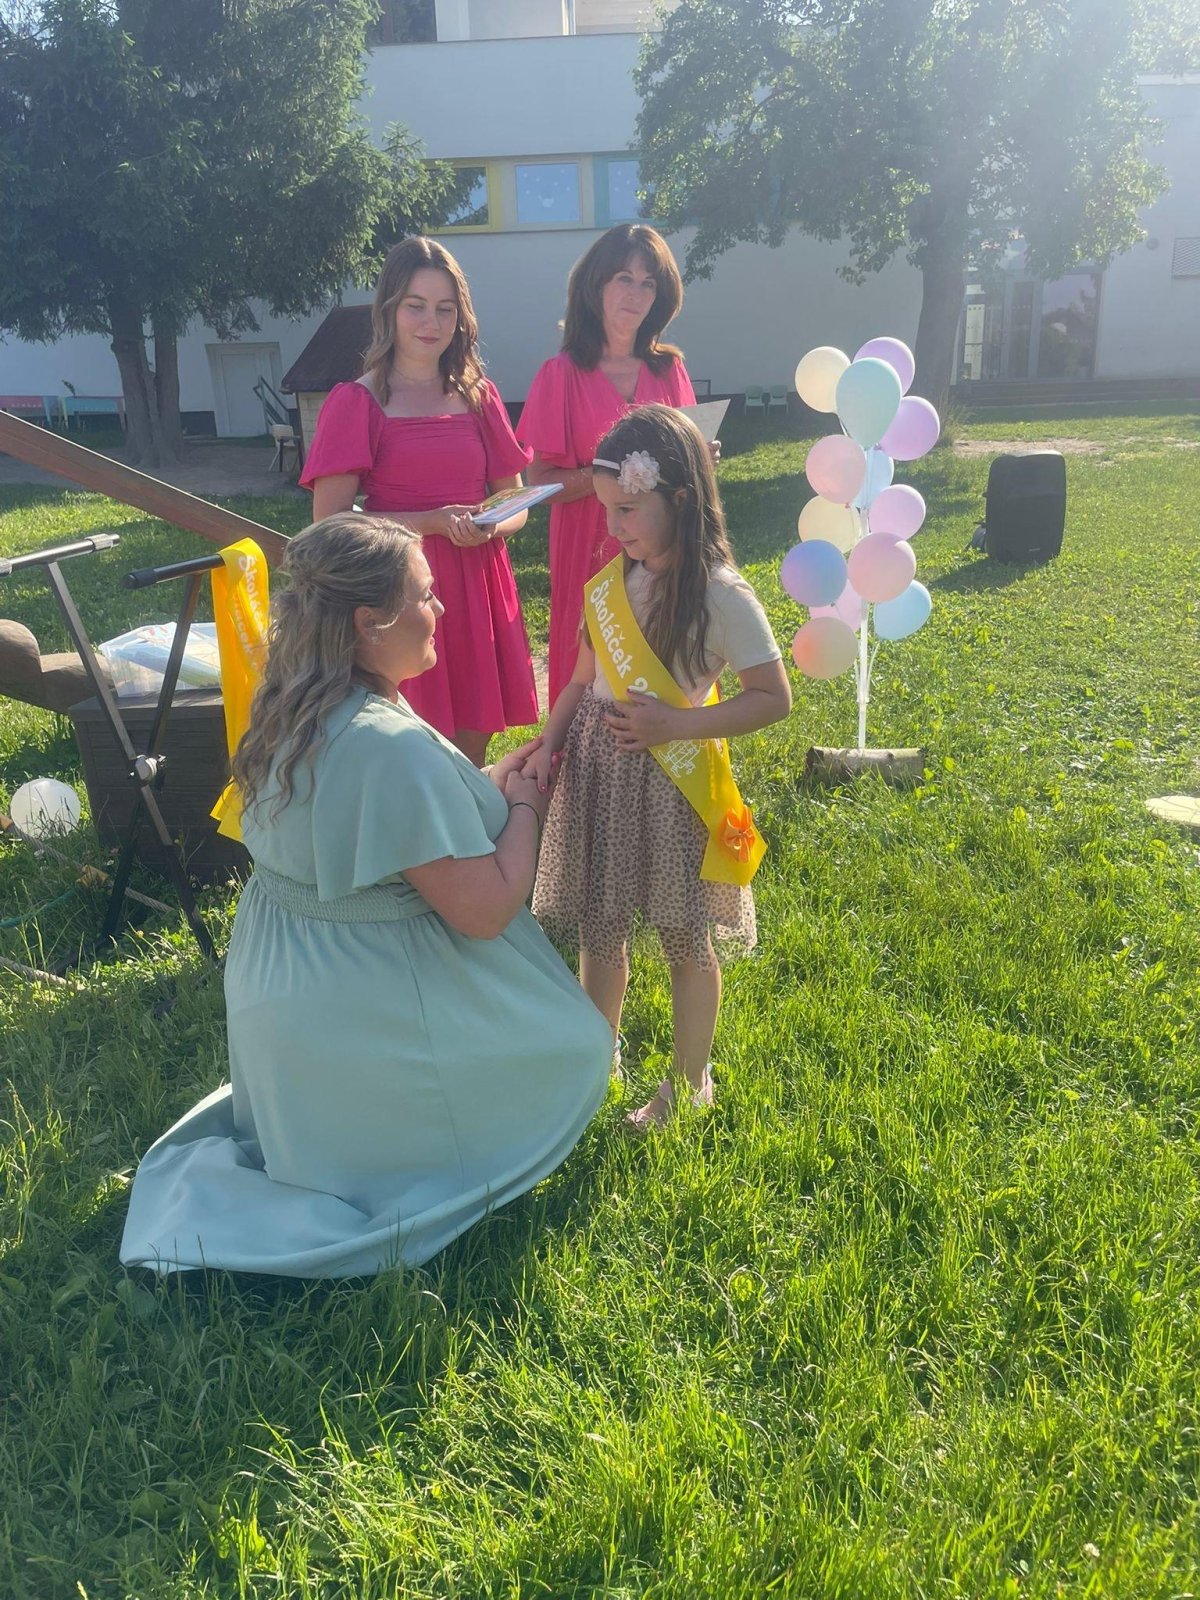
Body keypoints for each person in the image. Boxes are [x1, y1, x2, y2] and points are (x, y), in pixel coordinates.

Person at [119, 514, 612, 1279]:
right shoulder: (388, 744)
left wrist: (484, 789)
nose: (440, 609)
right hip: (354, 1007)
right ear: (366, 621)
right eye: (425, 595)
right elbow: (485, 909)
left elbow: (386, 832)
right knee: (578, 1045)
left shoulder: (290, 706)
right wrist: (527, 807)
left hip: (283, 994)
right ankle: (407, 1142)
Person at [525, 407, 792, 1132]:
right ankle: (597, 1059)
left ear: (678, 497)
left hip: (675, 784)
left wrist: (677, 725)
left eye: (628, 510)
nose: (614, 527)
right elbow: (579, 680)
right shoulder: (612, 585)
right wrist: (548, 744)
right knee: (600, 926)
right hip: (600, 773)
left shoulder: (722, 594)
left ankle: (689, 1082)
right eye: (607, 510)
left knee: (682, 935)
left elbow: (773, 698)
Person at [300, 237, 536, 766]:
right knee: (410, 746)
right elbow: (329, 522)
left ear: (460, 317)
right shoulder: (357, 401)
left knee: (472, 742)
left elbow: (516, 501)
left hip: (478, 584)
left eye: (445, 309)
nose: (431, 322)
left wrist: (492, 524)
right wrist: (431, 522)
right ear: (389, 309)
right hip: (400, 590)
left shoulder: (480, 396)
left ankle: (470, 818)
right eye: (416, 306)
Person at [518, 223, 696, 705]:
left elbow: (685, 464)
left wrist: (700, 458)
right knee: (589, 677)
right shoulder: (560, 374)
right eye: (624, 278)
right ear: (595, 286)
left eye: (648, 283)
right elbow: (539, 481)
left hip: (664, 547)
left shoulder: (669, 370)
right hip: (589, 546)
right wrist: (614, 475)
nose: (636, 294)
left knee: (666, 664)